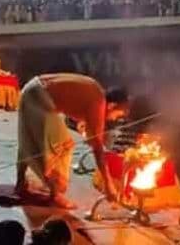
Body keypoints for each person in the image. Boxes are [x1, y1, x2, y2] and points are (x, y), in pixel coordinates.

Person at [16, 73, 130, 209]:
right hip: (39, 98)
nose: (114, 119)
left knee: (29, 137)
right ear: (112, 105)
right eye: (118, 115)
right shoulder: (99, 103)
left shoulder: (96, 91)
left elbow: (71, 104)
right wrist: (108, 183)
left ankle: (20, 182)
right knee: (61, 145)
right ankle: (55, 194)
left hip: (31, 88)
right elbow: (98, 148)